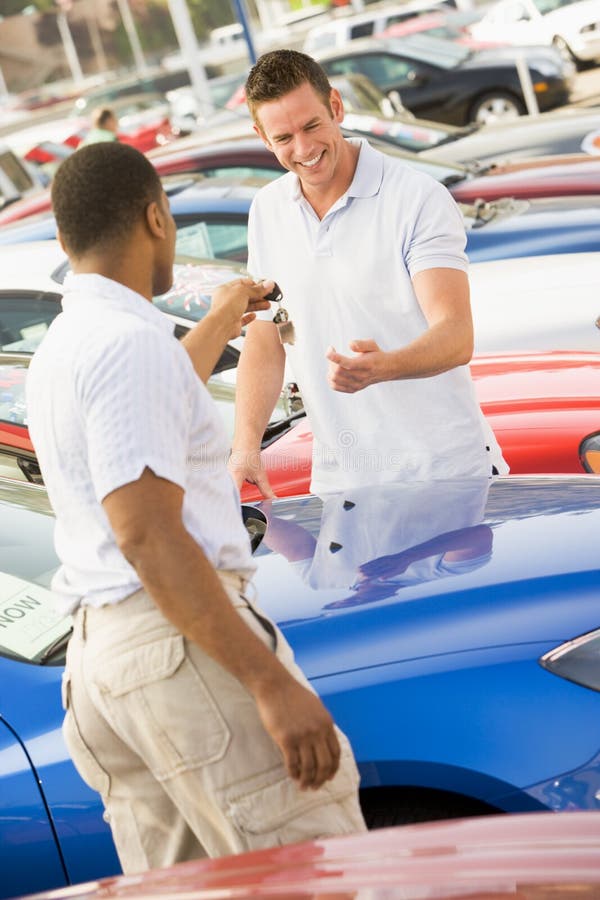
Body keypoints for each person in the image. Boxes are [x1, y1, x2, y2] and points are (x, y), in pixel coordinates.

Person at [25, 142, 366, 875]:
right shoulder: (125, 345)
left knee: (192, 887)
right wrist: (268, 681)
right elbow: (147, 533)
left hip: (102, 659)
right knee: (315, 870)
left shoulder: (64, 346)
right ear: (156, 217)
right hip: (179, 644)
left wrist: (218, 320)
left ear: (64, 241)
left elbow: (151, 411)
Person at [229, 50, 507, 498]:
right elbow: (267, 337)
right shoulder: (267, 210)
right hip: (343, 487)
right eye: (283, 137)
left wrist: (385, 367)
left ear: (336, 107)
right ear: (261, 136)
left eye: (312, 126)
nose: (303, 149)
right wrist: (245, 444)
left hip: (445, 476)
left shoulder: (416, 198)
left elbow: (456, 335)